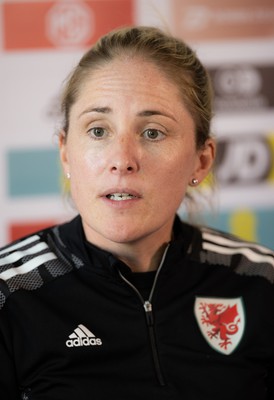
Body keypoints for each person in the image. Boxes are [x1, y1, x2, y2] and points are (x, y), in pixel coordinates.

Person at [0, 26, 273, 400]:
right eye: (98, 131)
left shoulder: (261, 281)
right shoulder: (9, 293)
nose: (122, 160)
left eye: (153, 133)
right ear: (65, 152)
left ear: (202, 159)